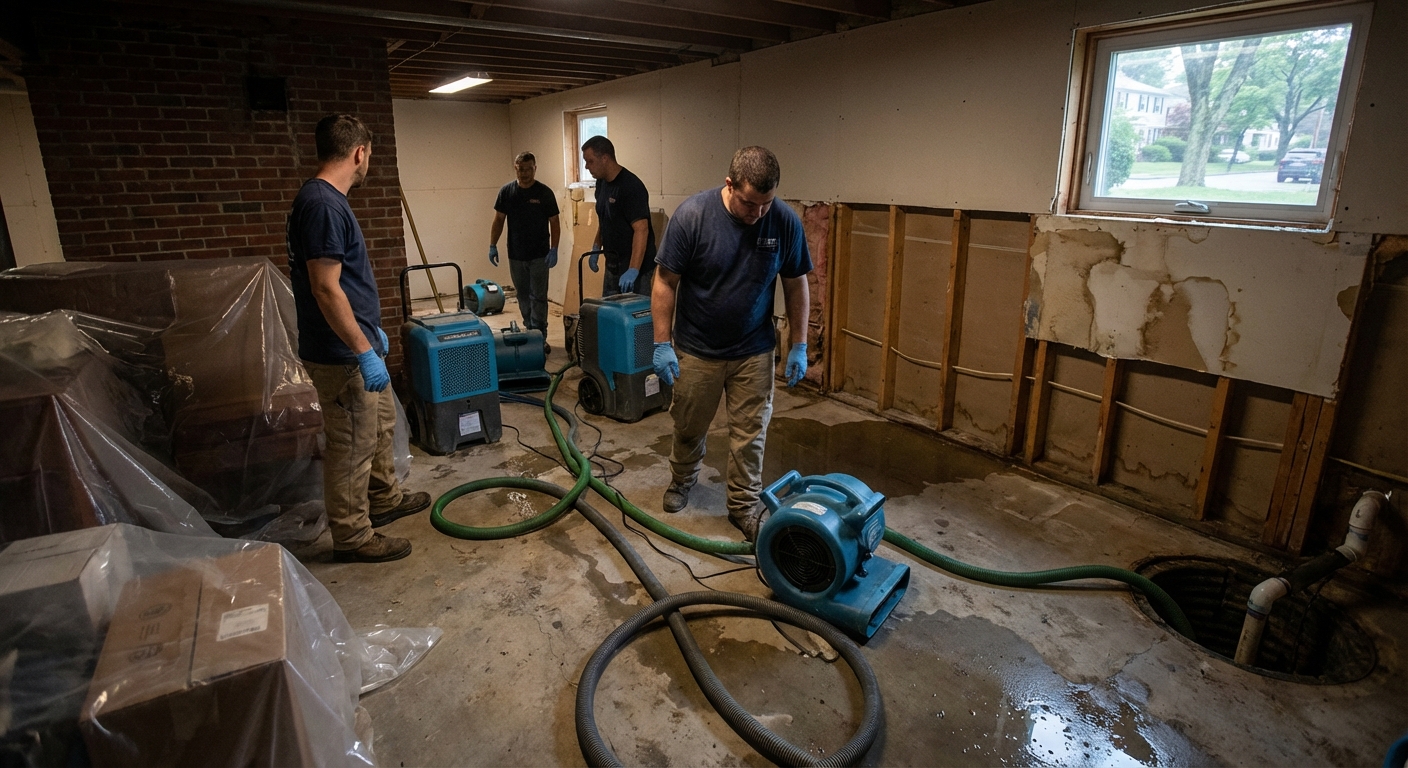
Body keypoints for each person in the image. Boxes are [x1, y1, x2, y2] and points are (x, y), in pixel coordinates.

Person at [287, 114, 430, 563]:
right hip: (342, 353)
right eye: (370, 155)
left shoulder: (326, 200)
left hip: (357, 343)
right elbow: (325, 288)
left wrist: (371, 332)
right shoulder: (324, 205)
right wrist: (362, 349)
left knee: (380, 425)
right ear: (359, 152)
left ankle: (384, 498)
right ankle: (352, 536)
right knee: (351, 445)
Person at [651, 146, 811, 541]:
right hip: (697, 348)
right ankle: (682, 479)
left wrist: (799, 344)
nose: (758, 212)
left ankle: (743, 505)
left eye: (766, 203)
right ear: (729, 185)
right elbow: (665, 281)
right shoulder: (693, 216)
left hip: (754, 349)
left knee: (750, 435)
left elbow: (796, 283)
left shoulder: (783, 221)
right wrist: (661, 342)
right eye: (749, 203)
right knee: (689, 425)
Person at [489, 151, 560, 352]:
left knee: (538, 296)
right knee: (522, 295)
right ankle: (529, 329)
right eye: (521, 169)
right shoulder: (507, 192)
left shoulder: (544, 193)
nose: (525, 173)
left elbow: (554, 222)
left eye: (528, 169)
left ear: (535, 168)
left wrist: (554, 248)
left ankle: (540, 336)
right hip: (516, 254)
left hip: (540, 255)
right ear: (516, 169)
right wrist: (492, 244)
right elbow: (499, 219)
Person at [581, 135, 656, 296]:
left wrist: (633, 269)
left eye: (590, 161)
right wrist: (596, 246)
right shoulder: (601, 183)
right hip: (613, 263)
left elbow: (642, 230)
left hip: (636, 268)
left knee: (634, 311)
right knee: (610, 309)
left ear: (605, 158)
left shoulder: (630, 186)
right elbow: (605, 219)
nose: (586, 167)